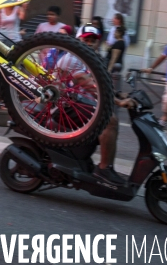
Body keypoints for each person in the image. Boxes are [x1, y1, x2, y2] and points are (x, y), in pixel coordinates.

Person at [55, 24, 134, 185]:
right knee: (109, 121)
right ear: (78, 40)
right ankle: (104, 170)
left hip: (77, 103)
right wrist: (118, 101)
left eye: (93, 40)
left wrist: (120, 94)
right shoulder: (73, 58)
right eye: (86, 40)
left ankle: (95, 163)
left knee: (106, 119)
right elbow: (89, 85)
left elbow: (101, 83)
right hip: (64, 105)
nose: (90, 43)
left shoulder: (90, 59)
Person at [0, 0, 26, 108]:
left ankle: (7, 100)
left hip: (13, 41)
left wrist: (23, 6)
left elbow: (22, 17)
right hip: (0, 41)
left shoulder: (17, 8)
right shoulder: (0, 9)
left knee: (11, 71)